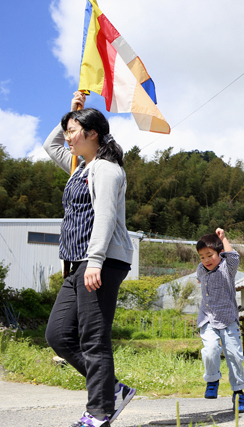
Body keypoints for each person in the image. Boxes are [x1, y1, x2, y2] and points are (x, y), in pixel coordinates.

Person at [44, 92, 136, 427]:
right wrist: (74, 112)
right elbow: (48, 145)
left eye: (74, 130)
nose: (67, 136)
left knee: (94, 339)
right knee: (57, 335)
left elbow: (106, 217)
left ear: (92, 134)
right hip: (77, 264)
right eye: (67, 130)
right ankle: (112, 389)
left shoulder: (107, 169)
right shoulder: (78, 168)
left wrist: (95, 261)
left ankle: (99, 412)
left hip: (101, 262)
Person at [196, 229, 244, 412]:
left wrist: (223, 238)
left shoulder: (228, 267)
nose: (206, 260)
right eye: (202, 257)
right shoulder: (201, 270)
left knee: (234, 357)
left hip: (228, 319)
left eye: (210, 255)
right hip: (208, 318)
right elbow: (200, 280)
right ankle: (212, 380)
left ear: (219, 254)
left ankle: (238, 392)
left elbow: (233, 256)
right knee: (210, 350)